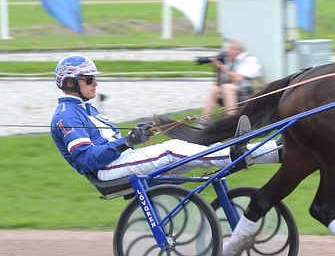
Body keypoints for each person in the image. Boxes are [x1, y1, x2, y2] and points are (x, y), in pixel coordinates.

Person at [50, 55, 281, 182]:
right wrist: (127, 142)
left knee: (192, 152)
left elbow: (111, 144)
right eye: (89, 79)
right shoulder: (67, 115)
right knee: (171, 150)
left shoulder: (86, 109)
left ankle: (274, 151)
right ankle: (235, 154)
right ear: (70, 83)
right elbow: (88, 159)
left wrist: (134, 137)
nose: (95, 83)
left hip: (121, 160)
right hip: (107, 170)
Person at [202, 40, 264, 118]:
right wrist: (218, 69)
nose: (227, 53)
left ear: (238, 50)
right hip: (233, 92)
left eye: (229, 50)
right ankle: (204, 121)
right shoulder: (231, 63)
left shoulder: (250, 60)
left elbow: (238, 78)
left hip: (250, 93)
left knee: (227, 87)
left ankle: (230, 119)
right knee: (213, 89)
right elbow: (219, 84)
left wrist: (223, 68)